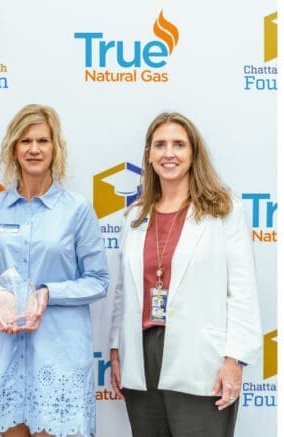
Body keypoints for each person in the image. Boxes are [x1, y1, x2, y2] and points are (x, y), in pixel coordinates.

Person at [109, 112, 261, 437]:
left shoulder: (223, 211)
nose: (169, 153)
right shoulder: (135, 216)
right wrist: (115, 349)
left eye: (179, 144)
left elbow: (242, 291)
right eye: (160, 145)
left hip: (201, 357)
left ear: (193, 154)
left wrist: (234, 360)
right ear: (148, 155)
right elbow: (124, 292)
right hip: (142, 351)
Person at [0, 104, 109, 437]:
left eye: (43, 140)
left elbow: (98, 281)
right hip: (4, 349)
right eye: (25, 140)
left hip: (57, 353)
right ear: (13, 148)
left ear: (55, 148)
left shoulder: (78, 210)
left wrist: (48, 293)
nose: (34, 148)